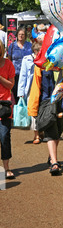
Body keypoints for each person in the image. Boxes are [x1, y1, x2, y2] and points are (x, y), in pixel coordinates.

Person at [27, 66, 63, 176]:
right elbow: (36, 87)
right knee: (51, 132)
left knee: (59, 131)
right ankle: (54, 163)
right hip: (46, 102)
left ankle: (51, 156)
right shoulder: (40, 66)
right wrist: (34, 108)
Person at [17, 40, 42, 144]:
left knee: (42, 110)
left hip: (42, 88)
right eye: (38, 51)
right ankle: (36, 135)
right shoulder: (26, 59)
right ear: (34, 51)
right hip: (31, 89)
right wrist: (20, 93)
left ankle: (41, 131)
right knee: (33, 111)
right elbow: (22, 76)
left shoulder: (45, 59)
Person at [0, 40, 16, 179]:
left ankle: (6, 168)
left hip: (4, 106)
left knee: (4, 137)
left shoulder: (9, 64)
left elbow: (11, 85)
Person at [7, 26, 32, 104]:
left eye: (23, 34)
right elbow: (9, 60)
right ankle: (19, 109)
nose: (21, 36)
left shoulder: (29, 45)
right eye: (19, 34)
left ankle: (26, 108)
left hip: (27, 73)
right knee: (16, 93)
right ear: (17, 35)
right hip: (15, 74)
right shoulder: (12, 46)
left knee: (27, 91)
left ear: (25, 36)